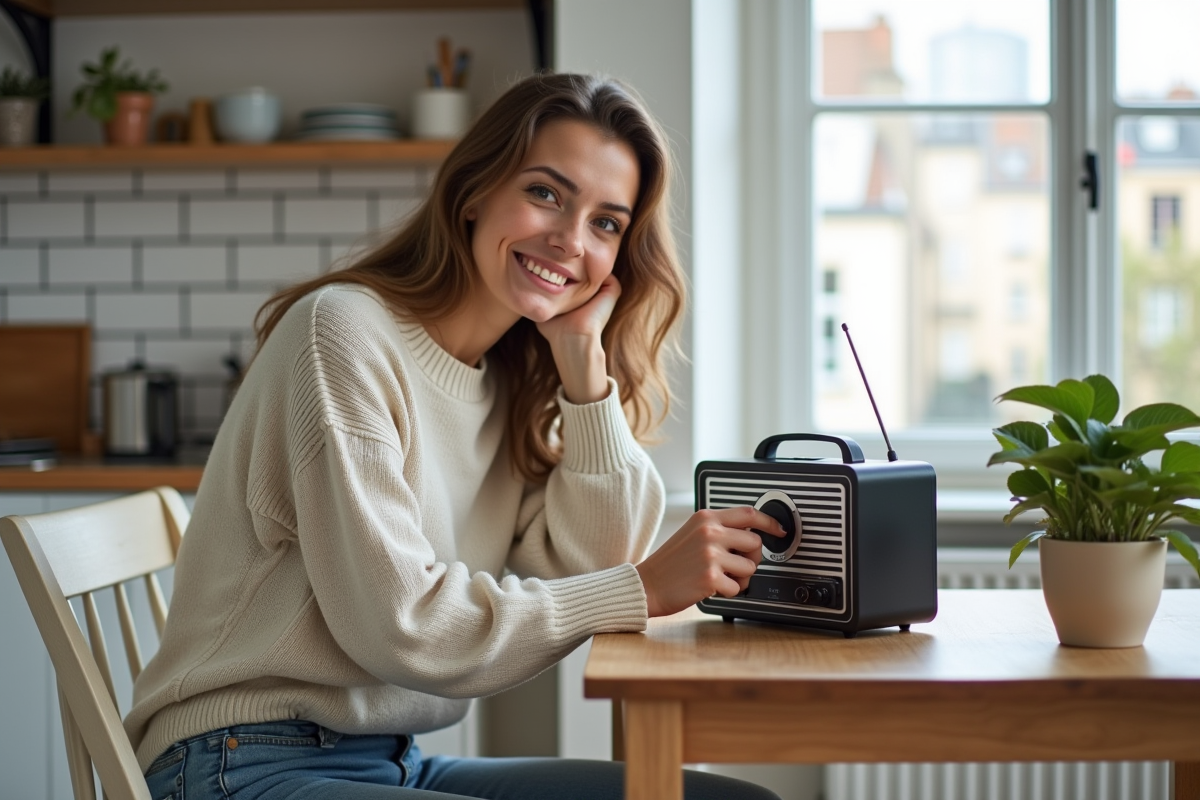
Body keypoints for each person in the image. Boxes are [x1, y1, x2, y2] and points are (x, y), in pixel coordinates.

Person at [127, 72, 785, 800]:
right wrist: (642, 588)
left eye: (606, 222)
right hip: (239, 762)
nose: (570, 239)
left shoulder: (506, 378)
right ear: (475, 192)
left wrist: (584, 371)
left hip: (389, 760)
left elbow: (591, 564)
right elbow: (404, 627)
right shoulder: (342, 334)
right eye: (545, 193)